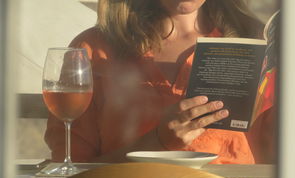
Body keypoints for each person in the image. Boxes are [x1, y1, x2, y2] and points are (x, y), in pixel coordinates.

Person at [45, 0, 276, 164]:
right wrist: (158, 142)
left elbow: (281, 161)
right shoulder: (94, 48)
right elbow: (71, 176)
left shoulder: (258, 43)